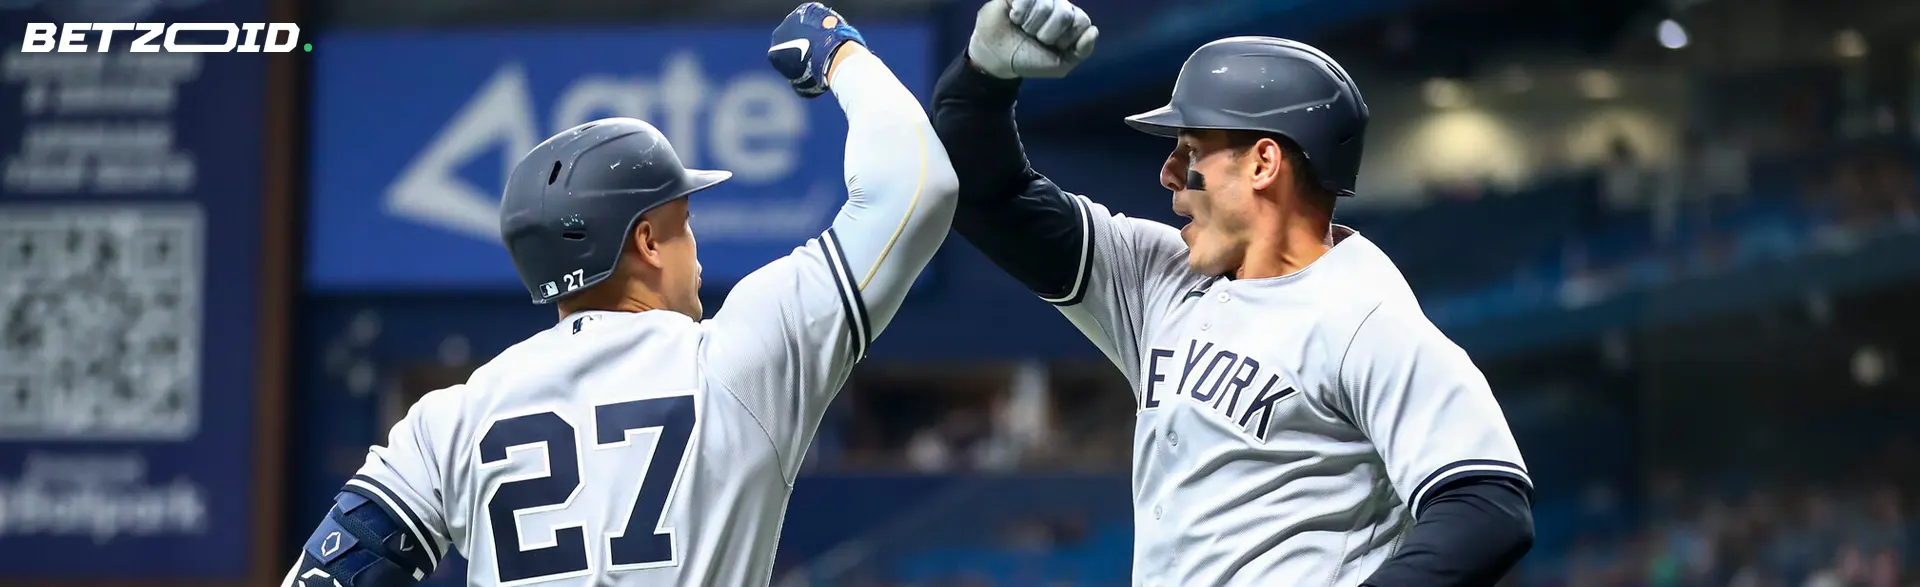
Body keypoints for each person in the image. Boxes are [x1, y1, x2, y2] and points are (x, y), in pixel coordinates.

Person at [280, 4, 957, 585]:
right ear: (647, 241)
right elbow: (918, 188)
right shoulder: (739, 359)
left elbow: (327, 570)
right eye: (683, 223)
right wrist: (840, 52)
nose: (696, 249)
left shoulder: (453, 417)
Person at [932, 0, 1535, 584]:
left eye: (1190, 150)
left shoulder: (1365, 315)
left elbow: (1486, 502)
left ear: (1263, 163)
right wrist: (981, 78)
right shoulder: (1158, 276)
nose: (1169, 173)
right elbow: (990, 199)